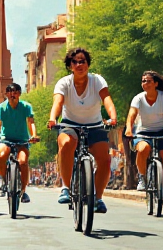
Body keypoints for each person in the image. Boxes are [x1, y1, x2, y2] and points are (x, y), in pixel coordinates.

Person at [47, 47, 118, 214]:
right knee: (66, 144)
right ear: (70, 66)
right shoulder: (64, 83)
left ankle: (98, 198)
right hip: (70, 125)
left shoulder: (97, 81)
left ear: (88, 64)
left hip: (94, 125)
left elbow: (107, 99)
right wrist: (52, 118)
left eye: (82, 61)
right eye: (75, 62)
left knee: (105, 160)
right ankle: (66, 187)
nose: (79, 64)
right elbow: (58, 102)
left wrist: (112, 117)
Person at [124, 70, 163, 204]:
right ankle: (142, 177)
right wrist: (128, 129)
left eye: (148, 81)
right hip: (143, 132)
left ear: (156, 84)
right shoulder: (138, 98)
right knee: (143, 149)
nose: (145, 83)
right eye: (143, 81)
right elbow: (131, 115)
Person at [0, 83, 39, 203]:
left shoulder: (26, 106)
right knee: (1, 155)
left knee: (23, 162)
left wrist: (33, 135)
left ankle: (23, 191)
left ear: (19, 93)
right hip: (5, 139)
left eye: (15, 92)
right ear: (6, 94)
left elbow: (30, 122)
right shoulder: (1, 107)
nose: (12, 94)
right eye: (10, 92)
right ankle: (2, 179)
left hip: (22, 140)